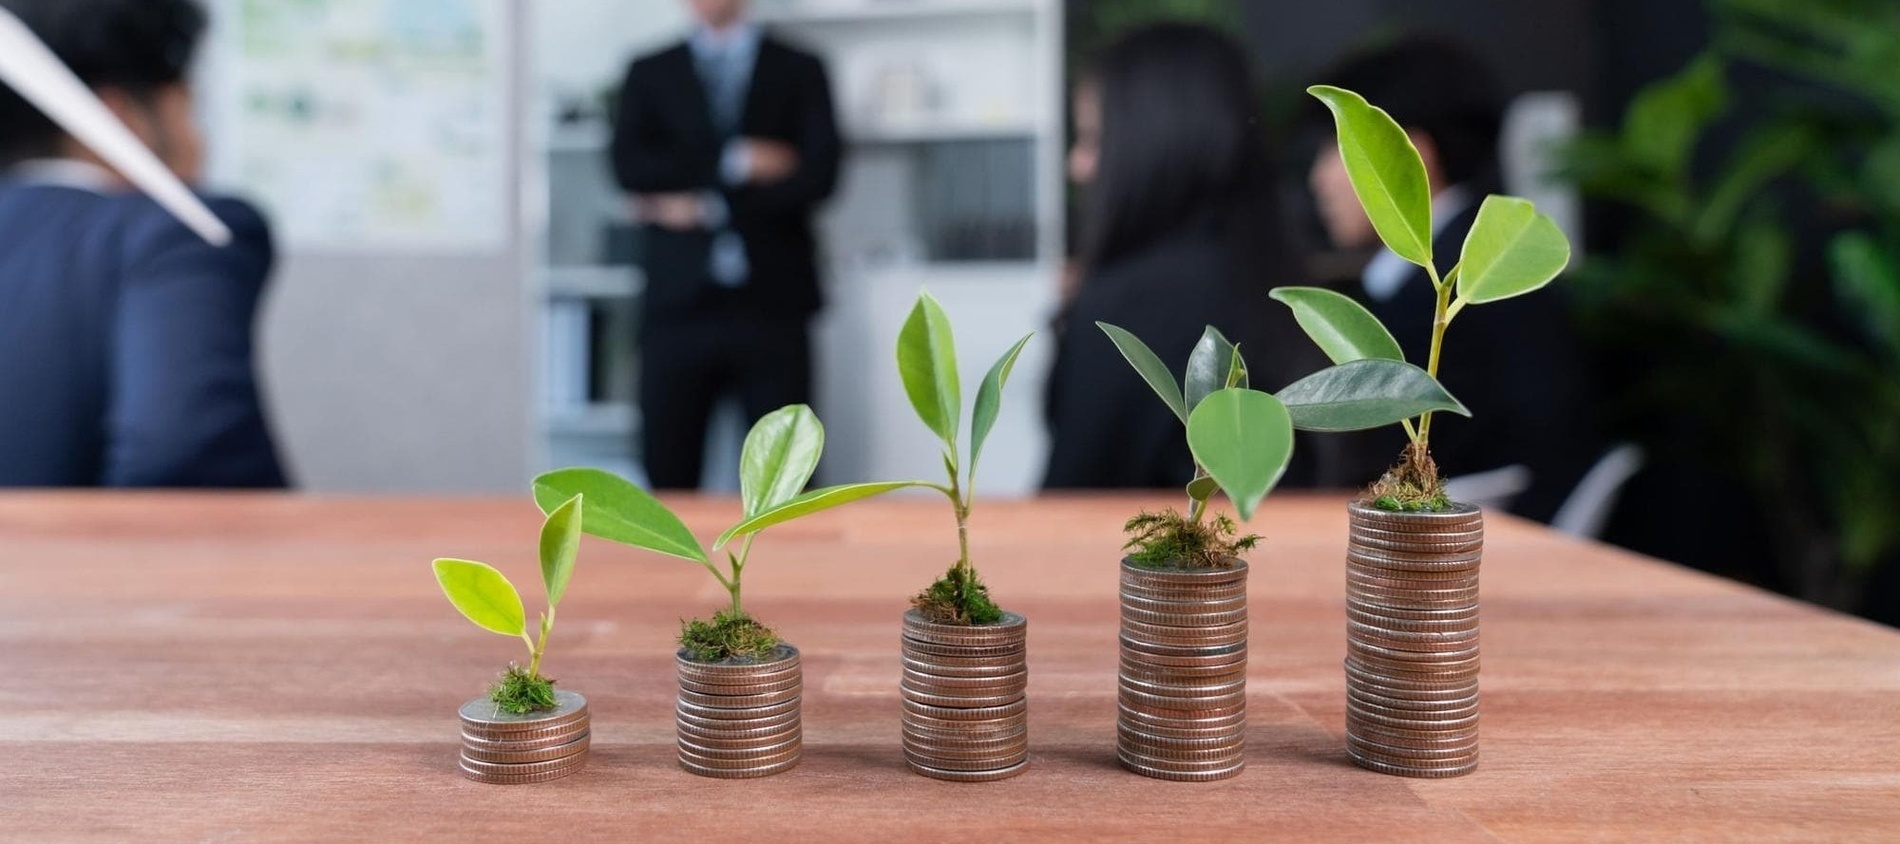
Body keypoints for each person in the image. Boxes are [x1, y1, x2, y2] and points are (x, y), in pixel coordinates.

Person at [1305, 36, 1593, 521]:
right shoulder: (1508, 260)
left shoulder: (1432, 304)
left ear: (1407, 158)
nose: (1319, 178)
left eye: (1338, 151)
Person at [0, 0, 287, 488]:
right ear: (116, 120)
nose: (198, 140)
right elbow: (186, 456)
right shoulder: (173, 234)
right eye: (188, 110)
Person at [1043, 24, 1323, 490]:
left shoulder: (1129, 307)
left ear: (1154, 146)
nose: (1078, 164)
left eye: (1093, 139)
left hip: (1155, 558)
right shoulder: (1282, 288)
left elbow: (1070, 501)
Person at [610, 0, 841, 490]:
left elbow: (819, 176)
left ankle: (792, 571)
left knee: (787, 478)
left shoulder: (799, 68)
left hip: (773, 306)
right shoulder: (650, 70)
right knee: (667, 474)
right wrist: (737, 160)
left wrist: (700, 203)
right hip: (677, 310)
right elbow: (630, 168)